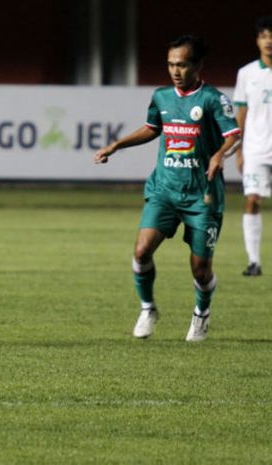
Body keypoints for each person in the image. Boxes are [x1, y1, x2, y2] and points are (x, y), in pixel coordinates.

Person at [93, 35, 241, 342]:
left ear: (198, 65)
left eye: (182, 64)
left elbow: (233, 134)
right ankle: (148, 308)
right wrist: (117, 145)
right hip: (164, 190)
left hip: (202, 195)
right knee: (141, 250)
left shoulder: (214, 99)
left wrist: (217, 155)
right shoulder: (161, 97)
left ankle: (201, 313)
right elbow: (152, 128)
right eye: (171, 64)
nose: (175, 70)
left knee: (200, 269)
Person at [233, 16, 272, 277]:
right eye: (264, 36)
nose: (269, 41)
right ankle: (254, 261)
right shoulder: (247, 74)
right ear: (257, 41)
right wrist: (237, 148)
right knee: (252, 200)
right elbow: (241, 114)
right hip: (255, 148)